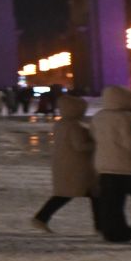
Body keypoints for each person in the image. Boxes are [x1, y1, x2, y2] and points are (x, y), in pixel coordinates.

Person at [89, 85, 131, 244]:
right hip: (130, 167)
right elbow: (129, 143)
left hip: (105, 166)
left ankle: (115, 233)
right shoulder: (126, 116)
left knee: (112, 204)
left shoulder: (98, 116)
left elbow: (94, 137)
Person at [31, 94, 95, 233]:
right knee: (94, 194)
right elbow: (80, 146)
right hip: (78, 166)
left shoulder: (61, 123)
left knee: (65, 194)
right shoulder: (74, 125)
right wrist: (96, 143)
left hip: (65, 164)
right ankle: (101, 226)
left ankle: (41, 217)